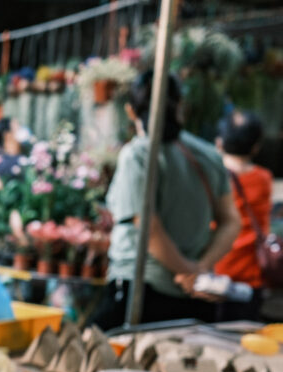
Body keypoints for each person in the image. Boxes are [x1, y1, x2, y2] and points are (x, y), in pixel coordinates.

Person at [93, 70, 242, 330]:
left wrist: (187, 271)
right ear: (181, 105)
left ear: (130, 111)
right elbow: (231, 222)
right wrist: (199, 269)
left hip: (141, 291)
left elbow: (149, 229)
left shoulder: (138, 155)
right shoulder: (208, 155)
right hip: (194, 296)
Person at [214, 110, 272, 321]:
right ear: (256, 147)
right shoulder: (263, 179)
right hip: (251, 276)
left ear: (219, 142)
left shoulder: (214, 178)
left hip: (214, 273)